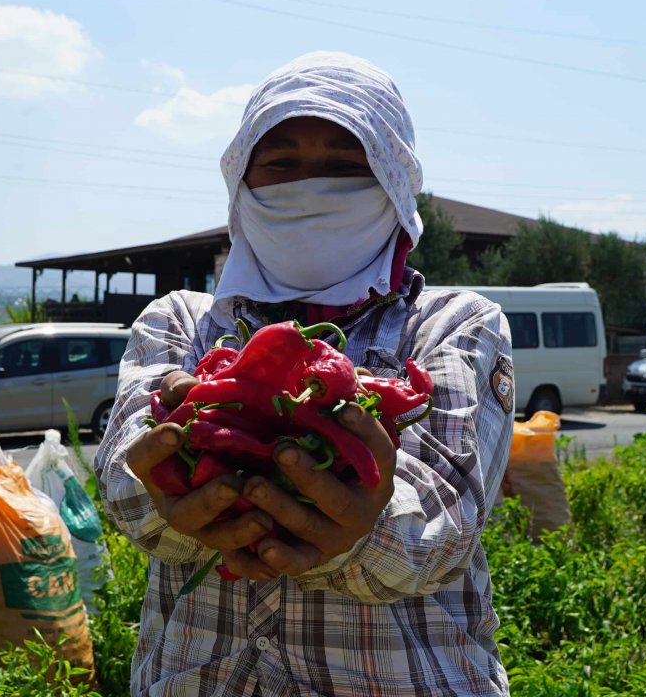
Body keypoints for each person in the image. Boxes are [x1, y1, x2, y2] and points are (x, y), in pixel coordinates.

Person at [95, 51, 514, 696]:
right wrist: (168, 492)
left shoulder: (454, 324)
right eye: (281, 163)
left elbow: (443, 526)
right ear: (242, 179)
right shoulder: (179, 323)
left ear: (395, 184)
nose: (309, 189)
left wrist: (364, 525)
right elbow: (125, 490)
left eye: (348, 167)